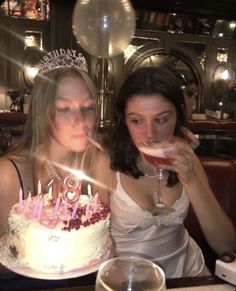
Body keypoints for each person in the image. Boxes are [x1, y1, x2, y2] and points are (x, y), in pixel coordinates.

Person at [95, 66, 236, 278]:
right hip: (127, 279)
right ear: (124, 120)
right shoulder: (106, 163)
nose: (149, 134)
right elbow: (95, 245)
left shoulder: (187, 159)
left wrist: (190, 179)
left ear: (177, 116)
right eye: (137, 121)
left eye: (161, 119)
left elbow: (226, 246)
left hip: (186, 275)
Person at [0, 49, 99, 287]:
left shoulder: (96, 165)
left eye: (88, 107)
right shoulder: (7, 175)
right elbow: (2, 272)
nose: (81, 120)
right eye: (64, 109)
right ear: (43, 113)